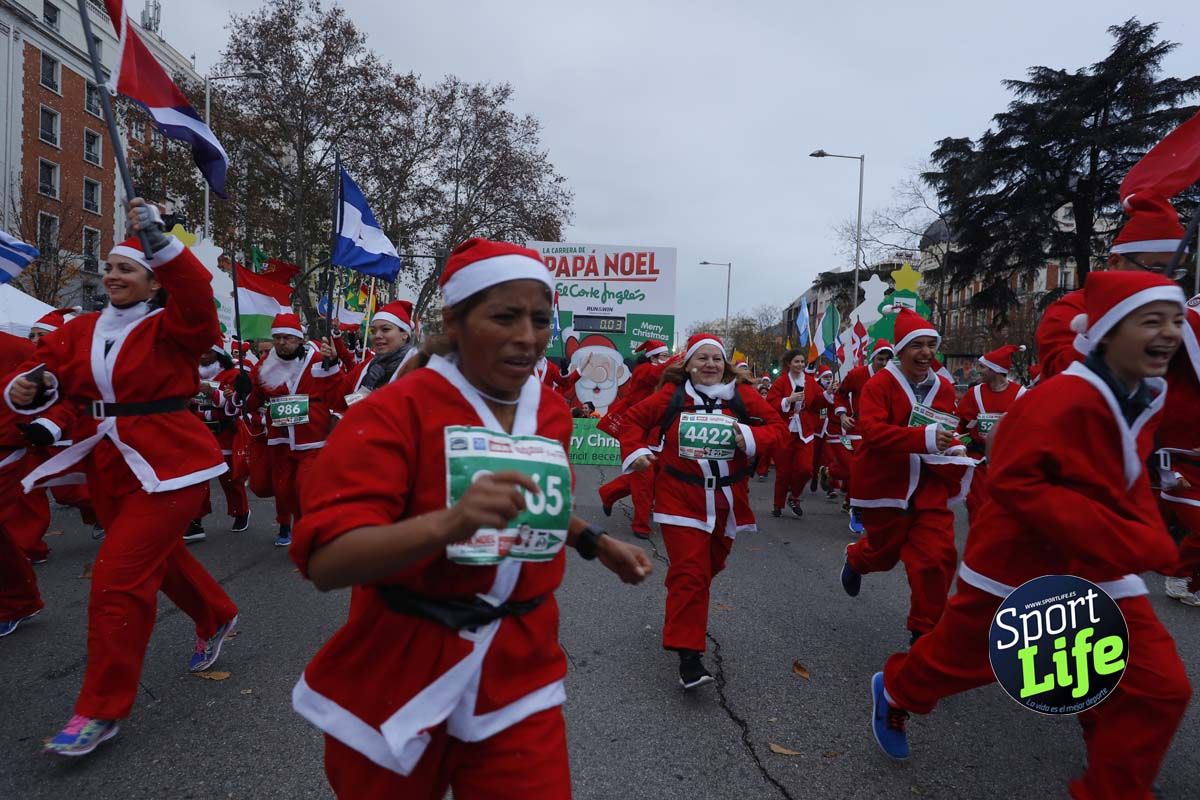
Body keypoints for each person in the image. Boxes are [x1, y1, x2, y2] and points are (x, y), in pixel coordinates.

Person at [288, 237, 651, 799]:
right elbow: (327, 562)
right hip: (403, 667)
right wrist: (450, 525)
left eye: (539, 319)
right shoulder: (395, 410)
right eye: (504, 317)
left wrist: (592, 540)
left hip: (520, 668)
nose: (527, 337)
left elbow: (527, 498)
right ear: (454, 320)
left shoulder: (549, 410)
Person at [870, 271, 1191, 800]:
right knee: (961, 664)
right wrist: (1126, 538)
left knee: (1158, 690)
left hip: (1101, 568)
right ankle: (897, 688)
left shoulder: (1146, 396)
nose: (1170, 333)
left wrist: (1143, 536)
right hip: (1016, 566)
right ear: (1108, 332)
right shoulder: (1060, 399)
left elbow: (1128, 479)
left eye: (1177, 320)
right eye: (1152, 321)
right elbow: (1015, 478)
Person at [3, 200, 240, 756]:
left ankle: (99, 711)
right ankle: (217, 614)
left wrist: (159, 238)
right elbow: (54, 383)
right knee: (160, 561)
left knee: (117, 579)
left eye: (127, 268)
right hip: (110, 467)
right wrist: (26, 396)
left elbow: (198, 302)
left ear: (154, 280)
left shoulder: (174, 326)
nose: (112, 275)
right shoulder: (80, 328)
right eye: (109, 267)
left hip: (172, 465)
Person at [620, 333, 787, 689]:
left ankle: (682, 597)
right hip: (680, 501)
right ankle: (689, 656)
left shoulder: (742, 396)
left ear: (724, 365)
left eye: (716, 359)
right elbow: (631, 421)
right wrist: (636, 453)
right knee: (691, 574)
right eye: (702, 358)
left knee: (707, 567)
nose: (710, 364)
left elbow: (779, 430)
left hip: (727, 503)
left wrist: (750, 437)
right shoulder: (672, 396)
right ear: (689, 365)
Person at [840, 307, 973, 644]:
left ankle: (923, 632)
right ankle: (857, 558)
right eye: (917, 345)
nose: (926, 353)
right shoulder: (879, 384)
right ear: (900, 350)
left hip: (929, 487)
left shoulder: (942, 387)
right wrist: (924, 438)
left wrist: (955, 447)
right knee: (883, 555)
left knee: (937, 557)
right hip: (885, 486)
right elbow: (871, 431)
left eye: (931, 345)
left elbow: (945, 427)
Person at [1036, 193, 1186, 379]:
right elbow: (1060, 374)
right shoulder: (1070, 309)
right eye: (1157, 269)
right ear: (1115, 263)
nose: (1167, 282)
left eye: (1174, 273)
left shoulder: (1175, 313)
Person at [239, 312, 343, 547]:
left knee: (305, 487)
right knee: (283, 488)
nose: (281, 343)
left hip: (311, 438)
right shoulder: (264, 366)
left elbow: (337, 392)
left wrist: (335, 364)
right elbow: (253, 401)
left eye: (287, 338)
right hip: (280, 438)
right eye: (277, 338)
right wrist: (243, 390)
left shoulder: (319, 359)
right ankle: (287, 522)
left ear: (299, 339)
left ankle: (306, 530)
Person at [597, 339, 672, 539]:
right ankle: (640, 525)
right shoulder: (644, 371)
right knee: (644, 480)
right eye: (664, 356)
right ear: (653, 357)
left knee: (656, 478)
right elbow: (659, 373)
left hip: (658, 435)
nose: (667, 359)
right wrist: (684, 358)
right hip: (637, 434)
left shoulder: (666, 377)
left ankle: (609, 492)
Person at [0, 331, 44, 637]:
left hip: (6, 447)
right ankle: (19, 599)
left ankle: (17, 602)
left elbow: (54, 391)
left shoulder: (16, 347)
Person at [1158, 297, 1200, 607]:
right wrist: (1168, 473)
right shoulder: (1169, 395)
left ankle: (1192, 581)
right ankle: (1177, 574)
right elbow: (1152, 440)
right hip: (1181, 472)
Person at [187, 345, 252, 542]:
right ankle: (195, 521)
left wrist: (210, 393)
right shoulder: (191, 373)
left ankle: (240, 511)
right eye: (201, 352)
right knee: (198, 479)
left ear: (218, 354)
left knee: (230, 478)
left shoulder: (231, 375)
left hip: (224, 432)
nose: (203, 356)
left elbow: (229, 405)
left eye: (208, 352)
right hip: (199, 432)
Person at [955, 344, 1027, 519]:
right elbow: (959, 424)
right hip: (978, 464)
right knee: (978, 509)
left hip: (1007, 464)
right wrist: (958, 444)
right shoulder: (974, 394)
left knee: (1004, 513)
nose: (978, 370)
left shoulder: (1021, 395)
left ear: (995, 370)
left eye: (983, 367)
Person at [834, 339, 894, 533]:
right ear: (872, 357)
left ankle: (863, 504)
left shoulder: (895, 378)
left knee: (878, 472)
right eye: (880, 359)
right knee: (857, 469)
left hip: (883, 429)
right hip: (858, 428)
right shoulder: (857, 374)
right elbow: (840, 394)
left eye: (887, 360)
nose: (884, 364)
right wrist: (843, 414)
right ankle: (857, 508)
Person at [766, 348, 829, 518]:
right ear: (789, 363)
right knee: (784, 471)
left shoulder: (810, 382)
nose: (800, 365)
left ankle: (794, 496)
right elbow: (770, 403)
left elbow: (818, 403)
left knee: (805, 470)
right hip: (786, 430)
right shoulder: (781, 382)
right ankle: (778, 504)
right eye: (797, 361)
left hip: (805, 431)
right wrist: (788, 400)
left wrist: (828, 394)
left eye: (802, 362)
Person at [334, 299, 418, 413]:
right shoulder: (367, 366)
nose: (377, 335)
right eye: (373, 331)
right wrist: (331, 362)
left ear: (404, 334)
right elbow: (339, 401)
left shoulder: (420, 368)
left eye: (385, 329)